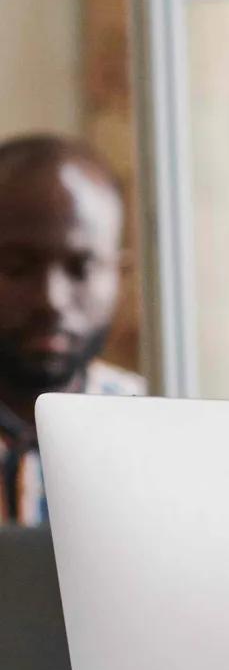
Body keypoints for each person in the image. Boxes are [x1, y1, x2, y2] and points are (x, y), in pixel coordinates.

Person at [0, 133, 144, 524]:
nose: (52, 300)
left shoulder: (156, 430)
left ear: (120, 273)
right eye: (16, 266)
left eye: (81, 268)